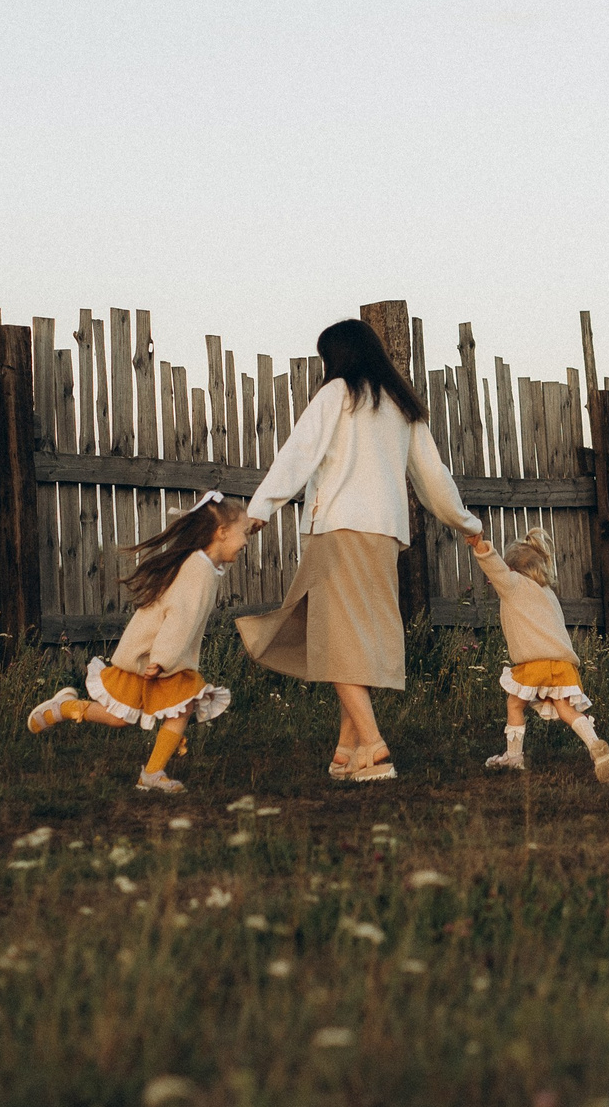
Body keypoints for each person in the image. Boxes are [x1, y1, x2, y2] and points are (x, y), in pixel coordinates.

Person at [235, 318, 481, 782]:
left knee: (335, 639)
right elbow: (434, 479)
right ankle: (347, 752)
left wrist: (260, 507)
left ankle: (373, 745)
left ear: (339, 357)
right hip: (385, 537)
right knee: (358, 639)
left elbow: (297, 452)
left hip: (338, 530)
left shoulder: (336, 395)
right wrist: (467, 524)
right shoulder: (403, 407)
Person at [25, 490, 244, 793]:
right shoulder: (197, 570)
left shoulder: (204, 564)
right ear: (221, 533)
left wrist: (251, 521)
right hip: (154, 655)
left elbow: (221, 562)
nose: (246, 541)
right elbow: (178, 617)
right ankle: (70, 711)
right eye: (244, 533)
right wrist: (163, 660)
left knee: (137, 716)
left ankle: (147, 769)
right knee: (152, 712)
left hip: (157, 654)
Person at [466, 524, 609, 782]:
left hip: (534, 663)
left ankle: (514, 757)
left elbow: (493, 565)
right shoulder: (547, 593)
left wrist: (479, 545)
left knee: (514, 704)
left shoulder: (513, 585)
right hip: (562, 664)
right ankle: (595, 746)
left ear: (511, 568)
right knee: (566, 709)